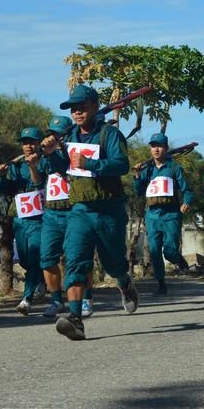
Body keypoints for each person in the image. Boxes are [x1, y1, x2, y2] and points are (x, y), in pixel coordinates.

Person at [48, 84, 140, 341]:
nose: (77, 112)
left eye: (81, 107)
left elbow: (121, 164)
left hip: (109, 209)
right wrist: (50, 153)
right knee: (76, 259)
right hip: (80, 209)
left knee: (113, 263)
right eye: (73, 109)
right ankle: (76, 318)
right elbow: (60, 167)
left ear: (94, 107)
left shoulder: (109, 135)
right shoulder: (69, 138)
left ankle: (125, 282)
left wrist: (90, 163)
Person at [36, 115, 91, 318]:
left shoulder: (75, 151)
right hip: (51, 213)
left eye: (58, 134)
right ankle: (57, 301)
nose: (54, 136)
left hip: (74, 210)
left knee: (78, 258)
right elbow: (37, 179)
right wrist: (34, 163)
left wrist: (53, 153)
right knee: (47, 258)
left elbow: (62, 165)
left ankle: (85, 299)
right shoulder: (46, 154)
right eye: (51, 133)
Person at [132, 133, 194, 296]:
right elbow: (138, 191)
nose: (156, 149)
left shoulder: (174, 168)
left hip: (171, 215)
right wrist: (137, 176)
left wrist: (186, 202)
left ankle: (179, 260)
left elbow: (187, 189)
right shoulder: (147, 170)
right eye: (153, 146)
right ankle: (161, 283)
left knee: (170, 251)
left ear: (166, 148)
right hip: (152, 216)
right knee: (154, 250)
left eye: (159, 146)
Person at [0, 127, 46, 315]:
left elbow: (40, 183)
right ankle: (40, 279)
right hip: (20, 219)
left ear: (39, 142)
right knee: (25, 260)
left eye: (32, 141)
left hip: (39, 219)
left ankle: (27, 299)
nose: (28, 145)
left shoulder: (45, 161)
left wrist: (33, 166)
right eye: (24, 142)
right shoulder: (17, 166)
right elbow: (7, 189)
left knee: (33, 257)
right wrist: (1, 177)